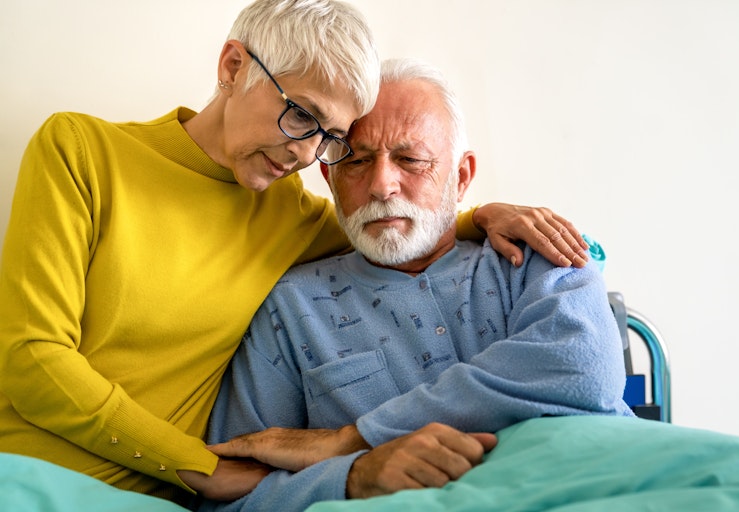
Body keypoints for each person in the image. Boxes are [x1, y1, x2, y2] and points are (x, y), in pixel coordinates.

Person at [0, 0, 589, 507]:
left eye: (328, 137)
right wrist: (194, 466)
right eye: (302, 114)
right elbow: (31, 357)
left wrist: (481, 214)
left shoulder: (291, 213)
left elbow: (395, 221)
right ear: (233, 67)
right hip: (36, 474)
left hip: (165, 501)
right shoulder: (82, 151)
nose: (307, 154)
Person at [199, 57, 633, 512]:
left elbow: (581, 371)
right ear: (329, 178)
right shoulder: (289, 308)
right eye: (358, 161)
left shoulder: (541, 253)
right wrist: (353, 477)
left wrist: (351, 439)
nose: (382, 185)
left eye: (411, 160)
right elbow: (230, 494)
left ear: (461, 176)